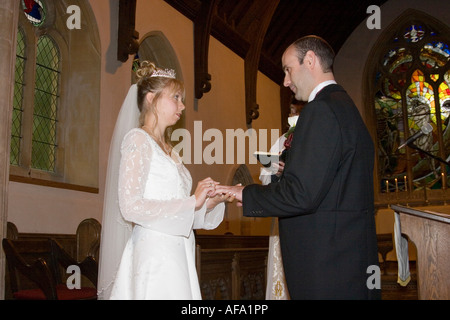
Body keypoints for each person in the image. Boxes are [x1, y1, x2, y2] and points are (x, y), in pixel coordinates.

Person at [216, 36, 380, 299]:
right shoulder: (347, 109)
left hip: (326, 270)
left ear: (310, 61)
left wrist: (245, 193)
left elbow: (301, 194)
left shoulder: (320, 111)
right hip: (349, 263)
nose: (286, 81)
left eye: (288, 69)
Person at [97, 61, 231, 300]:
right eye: (176, 97)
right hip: (155, 256)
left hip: (179, 252)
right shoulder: (137, 140)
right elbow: (131, 206)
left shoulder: (170, 151)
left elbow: (178, 211)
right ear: (151, 98)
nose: (182, 105)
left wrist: (206, 204)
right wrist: (193, 201)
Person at [260, 98, 304, 300]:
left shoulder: (316, 139)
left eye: (296, 111)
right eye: (291, 110)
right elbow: (263, 175)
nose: (292, 114)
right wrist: (275, 172)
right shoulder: (282, 141)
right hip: (282, 215)